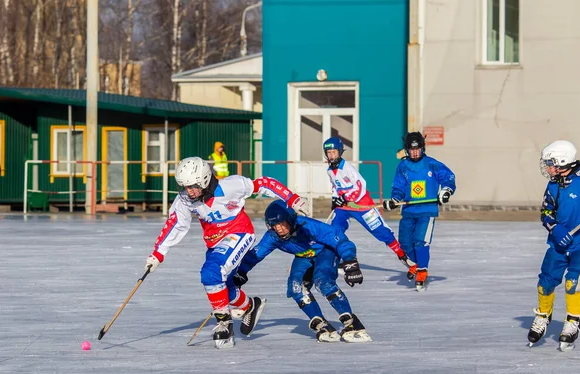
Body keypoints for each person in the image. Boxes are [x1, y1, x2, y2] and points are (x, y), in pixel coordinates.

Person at [144, 157, 308, 349]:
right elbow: (175, 224)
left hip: (239, 233)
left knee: (211, 273)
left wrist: (292, 198)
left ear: (205, 179)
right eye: (185, 187)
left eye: (193, 186)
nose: (189, 192)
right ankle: (249, 306)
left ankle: (224, 323)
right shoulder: (186, 200)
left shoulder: (231, 186)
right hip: (214, 243)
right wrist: (158, 253)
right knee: (223, 287)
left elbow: (263, 184)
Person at [234, 199, 371, 343]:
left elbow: (340, 239)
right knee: (295, 286)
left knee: (322, 281)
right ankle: (321, 323)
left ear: (290, 220)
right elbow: (255, 254)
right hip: (304, 256)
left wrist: (350, 262)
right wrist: (240, 272)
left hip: (325, 251)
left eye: (281, 223)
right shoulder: (273, 237)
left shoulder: (309, 226)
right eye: (274, 225)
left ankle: (351, 322)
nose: (278, 229)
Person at [527, 140, 580, 351]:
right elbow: (546, 212)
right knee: (545, 283)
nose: (547, 168)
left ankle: (572, 321)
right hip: (559, 243)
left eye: (550, 163)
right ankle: (543, 316)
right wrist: (555, 227)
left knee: (573, 281)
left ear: (563, 161)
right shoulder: (554, 184)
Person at [323, 137, 416, 275]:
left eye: (334, 152)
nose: (331, 155)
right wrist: (335, 200)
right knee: (335, 231)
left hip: (362, 205)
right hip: (344, 207)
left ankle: (403, 256)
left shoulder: (347, 168)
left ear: (340, 152)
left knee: (381, 232)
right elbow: (335, 186)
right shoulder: (330, 170)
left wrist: (344, 197)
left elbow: (360, 186)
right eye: (328, 152)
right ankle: (334, 261)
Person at [383, 131, 456, 291]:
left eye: (417, 149)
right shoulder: (403, 166)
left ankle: (422, 271)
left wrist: (446, 191)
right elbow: (398, 186)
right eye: (411, 149)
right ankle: (415, 265)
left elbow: (448, 178)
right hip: (408, 211)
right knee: (405, 243)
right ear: (407, 150)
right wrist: (395, 200)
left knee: (420, 241)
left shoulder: (432, 164)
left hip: (427, 210)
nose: (414, 152)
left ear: (422, 148)